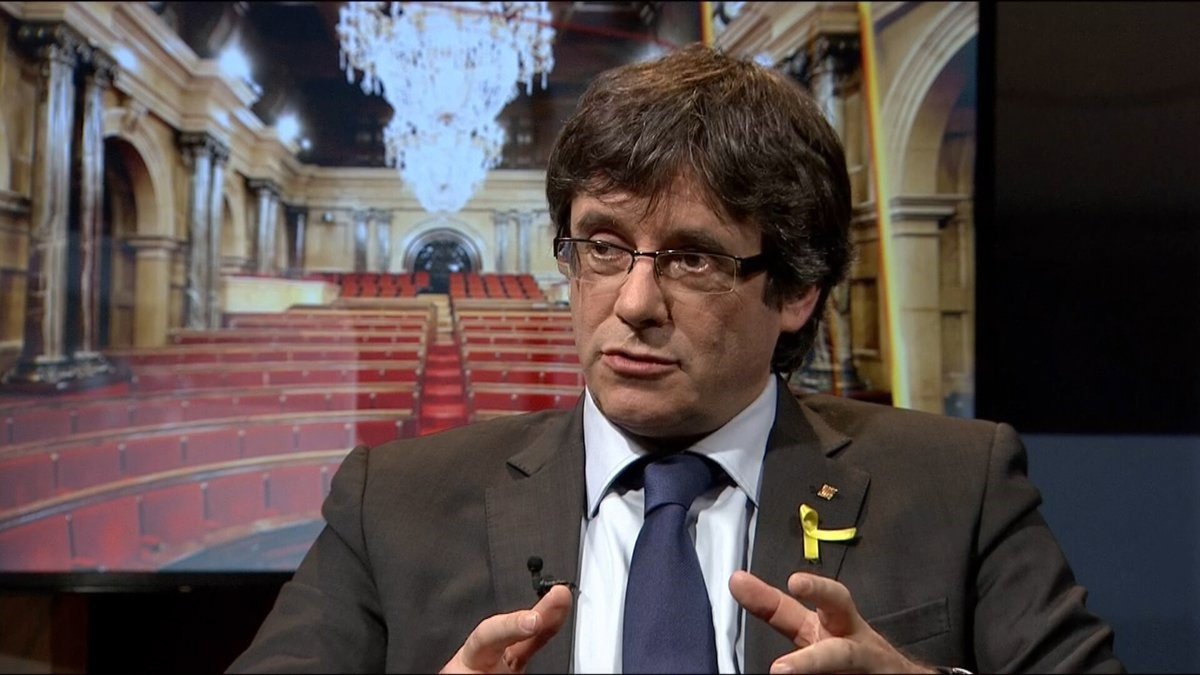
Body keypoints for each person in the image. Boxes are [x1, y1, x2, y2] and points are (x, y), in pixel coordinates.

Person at [229, 44, 1121, 674]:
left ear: (797, 289)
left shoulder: (961, 487)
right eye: (603, 246)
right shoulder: (392, 502)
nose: (633, 303)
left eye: (693, 259)